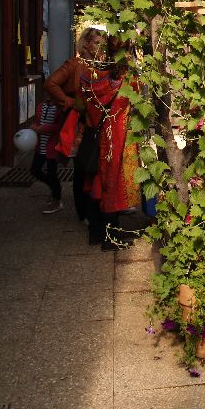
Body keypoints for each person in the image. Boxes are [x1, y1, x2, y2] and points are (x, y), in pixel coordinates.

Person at [80, 34, 140, 251]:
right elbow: (136, 94)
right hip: (115, 137)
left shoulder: (91, 76)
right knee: (112, 184)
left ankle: (96, 232)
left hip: (97, 134)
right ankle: (110, 236)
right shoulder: (124, 80)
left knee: (98, 183)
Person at [44, 26, 106, 225]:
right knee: (82, 167)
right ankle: (83, 213)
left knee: (94, 166)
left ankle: (94, 208)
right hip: (79, 124)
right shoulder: (74, 64)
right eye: (97, 43)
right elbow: (51, 83)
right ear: (86, 44)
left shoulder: (101, 65)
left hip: (97, 122)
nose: (100, 47)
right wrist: (70, 102)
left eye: (102, 44)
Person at [30, 96, 63, 213]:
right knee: (34, 170)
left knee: (52, 174)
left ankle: (57, 200)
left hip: (52, 147)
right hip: (41, 146)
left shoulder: (60, 107)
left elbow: (60, 126)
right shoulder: (41, 105)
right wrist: (34, 127)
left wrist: (42, 129)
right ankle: (55, 188)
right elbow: (38, 121)